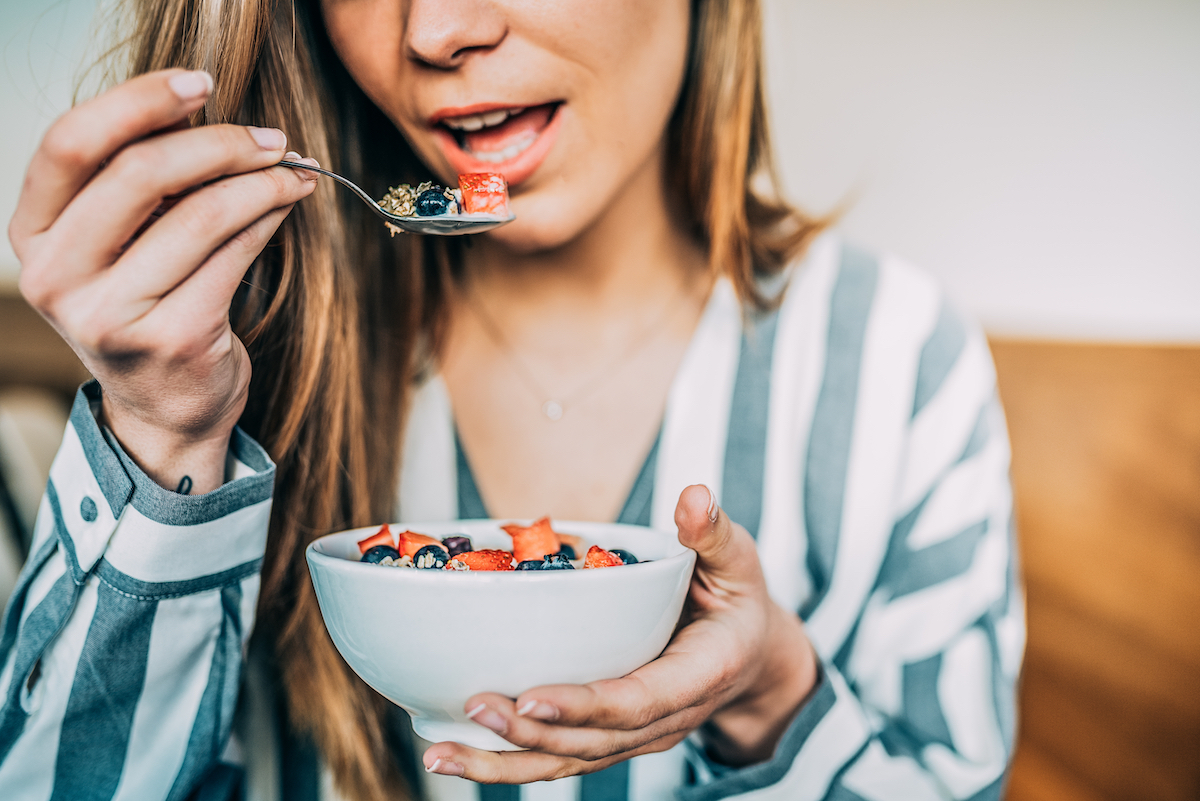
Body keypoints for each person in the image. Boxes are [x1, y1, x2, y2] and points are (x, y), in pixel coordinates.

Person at [0, 0, 1023, 799]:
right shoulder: (238, 347)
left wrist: (768, 696)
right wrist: (163, 428)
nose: (436, 32)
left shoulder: (895, 362)